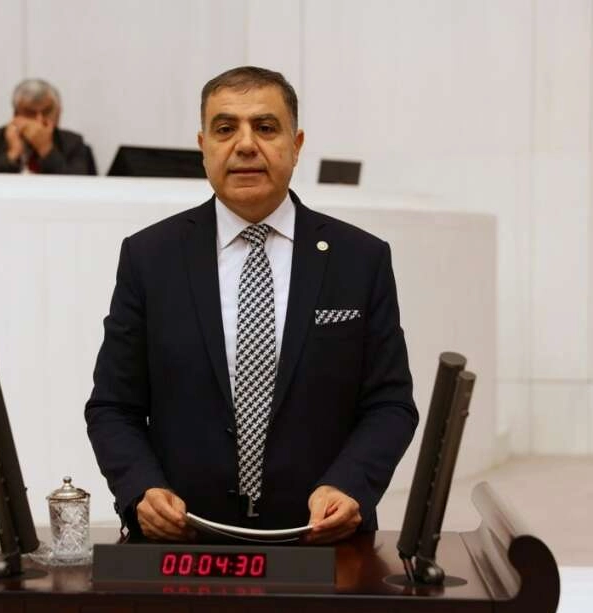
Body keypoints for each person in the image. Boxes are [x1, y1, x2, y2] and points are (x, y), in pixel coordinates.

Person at [85, 66, 417, 544]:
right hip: (184, 542)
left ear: (296, 145)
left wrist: (350, 485)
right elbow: (113, 405)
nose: (245, 145)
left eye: (265, 127)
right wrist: (141, 489)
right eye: (225, 129)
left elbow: (390, 403)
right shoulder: (149, 257)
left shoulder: (360, 259)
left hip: (321, 542)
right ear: (203, 146)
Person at [0, 78, 96, 175]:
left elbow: (83, 189)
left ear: (58, 113)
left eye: (46, 112)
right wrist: (12, 154)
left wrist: (47, 150)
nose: (39, 120)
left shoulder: (74, 144)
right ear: (16, 115)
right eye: (30, 113)